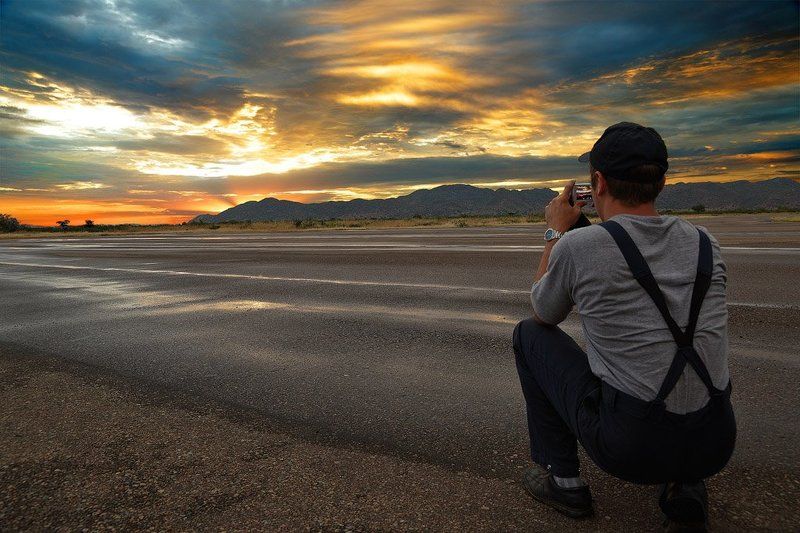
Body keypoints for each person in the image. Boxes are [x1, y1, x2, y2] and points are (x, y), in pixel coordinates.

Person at [512, 122, 736, 531]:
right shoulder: (705, 241)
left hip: (633, 445)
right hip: (715, 438)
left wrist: (554, 233)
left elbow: (543, 309)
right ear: (662, 183)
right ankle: (685, 487)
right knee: (682, 349)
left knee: (528, 335)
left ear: (596, 183)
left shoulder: (580, 247)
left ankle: (564, 482)